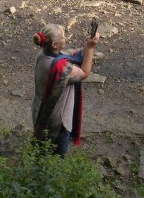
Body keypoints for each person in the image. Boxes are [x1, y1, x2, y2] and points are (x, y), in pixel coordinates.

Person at [32, 22, 99, 157]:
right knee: (56, 156)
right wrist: (91, 49)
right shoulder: (61, 68)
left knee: (42, 149)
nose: (65, 39)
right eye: (63, 37)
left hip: (39, 110)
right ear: (54, 44)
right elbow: (84, 73)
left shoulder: (43, 55)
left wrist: (87, 44)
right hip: (57, 120)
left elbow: (73, 55)